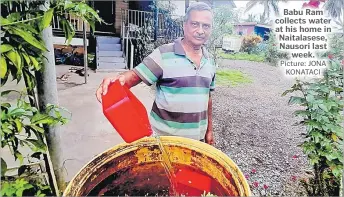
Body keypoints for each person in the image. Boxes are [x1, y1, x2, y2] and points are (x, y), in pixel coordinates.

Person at [96, 2, 216, 145]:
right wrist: (114, 81)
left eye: (206, 26)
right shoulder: (164, 54)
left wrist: (209, 130)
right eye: (195, 24)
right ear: (185, 25)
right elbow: (133, 77)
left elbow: (207, 97)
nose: (200, 30)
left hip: (197, 143)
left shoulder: (210, 61)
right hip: (163, 143)